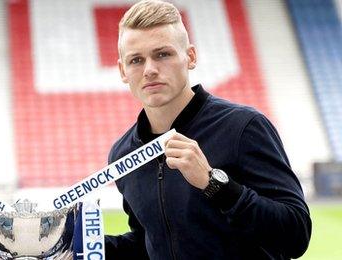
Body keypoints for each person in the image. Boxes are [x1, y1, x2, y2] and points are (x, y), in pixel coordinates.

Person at [104, 0, 311, 259]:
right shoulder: (122, 153)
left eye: (163, 54)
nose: (150, 70)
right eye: (136, 60)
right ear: (123, 71)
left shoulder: (243, 127)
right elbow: (151, 242)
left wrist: (213, 183)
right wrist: (83, 247)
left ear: (190, 57)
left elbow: (296, 235)